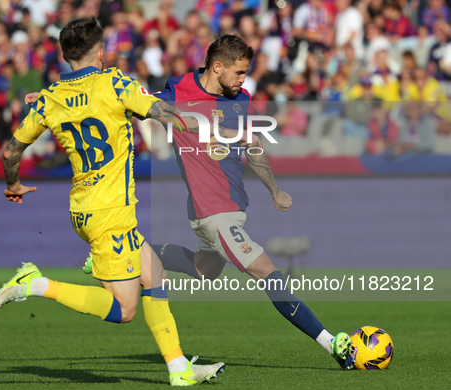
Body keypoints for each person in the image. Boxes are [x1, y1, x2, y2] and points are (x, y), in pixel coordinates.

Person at [82, 34, 355, 369]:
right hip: (214, 213)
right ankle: (333, 344)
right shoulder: (177, 92)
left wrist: (273, 190)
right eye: (239, 73)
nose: (244, 80)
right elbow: (126, 103)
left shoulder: (241, 99)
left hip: (230, 208)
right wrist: (60, 102)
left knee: (203, 269)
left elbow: (251, 146)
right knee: (268, 273)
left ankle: (125, 255)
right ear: (217, 66)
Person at [0, 16, 225, 387]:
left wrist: (14, 184)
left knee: (155, 274)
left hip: (84, 208)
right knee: (124, 309)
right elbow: (165, 112)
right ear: (100, 51)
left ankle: (179, 368)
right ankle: (36, 283)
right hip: (109, 213)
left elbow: (9, 152)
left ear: (66, 55)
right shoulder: (115, 84)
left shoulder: (50, 98)